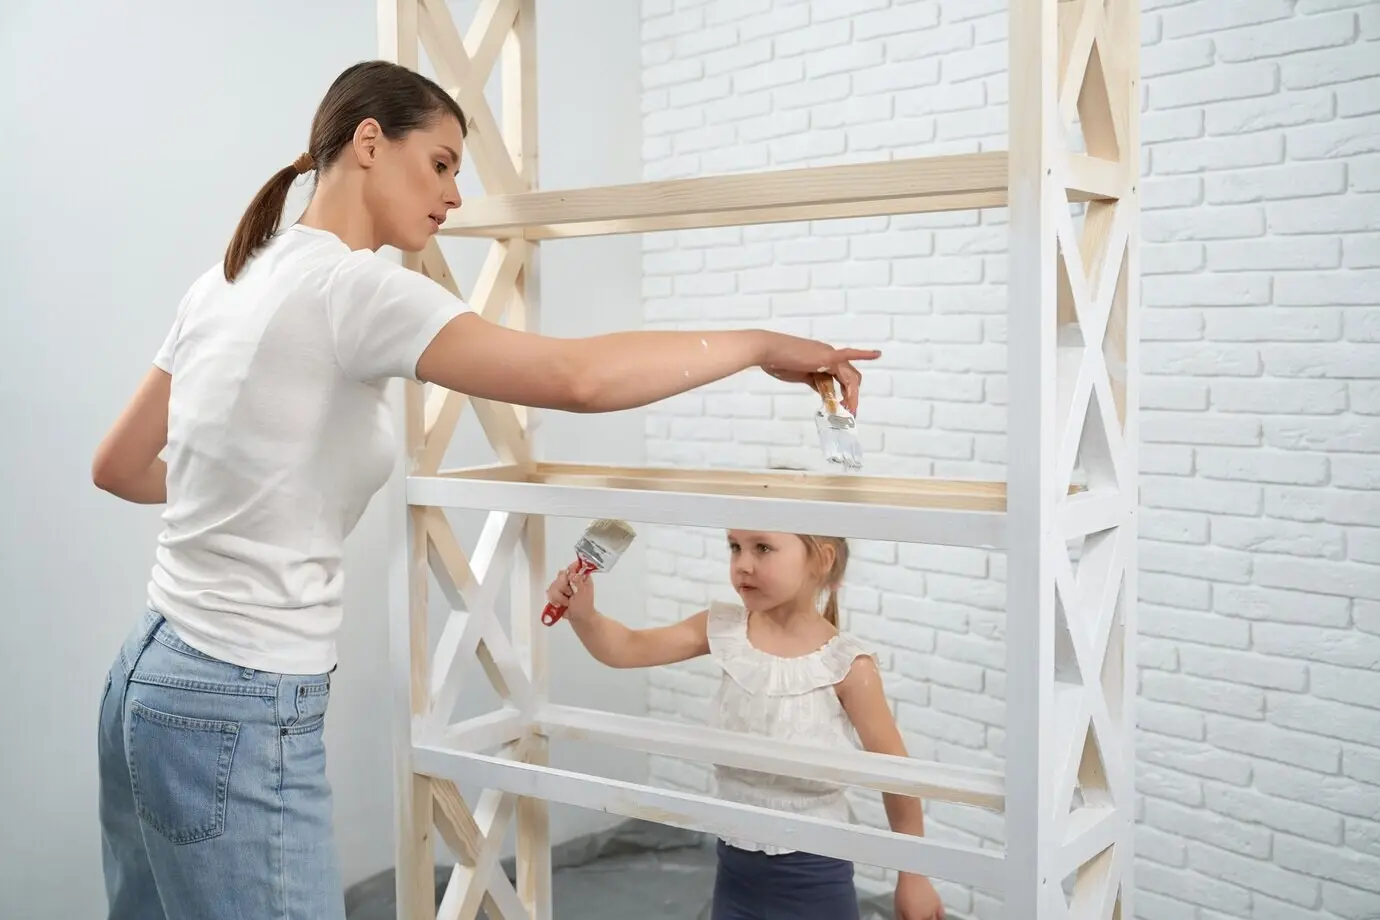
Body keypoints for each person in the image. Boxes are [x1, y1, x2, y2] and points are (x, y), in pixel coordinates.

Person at [90, 59, 881, 920]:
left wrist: (249, 491)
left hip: (149, 675)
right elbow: (577, 379)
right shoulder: (352, 286)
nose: (454, 195)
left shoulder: (229, 278)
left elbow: (120, 467)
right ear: (368, 142)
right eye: (440, 163)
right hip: (237, 699)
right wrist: (759, 346)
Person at [544, 530, 947, 920]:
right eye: (735, 547)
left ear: (821, 560)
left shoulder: (846, 666)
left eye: (763, 548)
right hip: (735, 868)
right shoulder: (724, 628)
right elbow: (627, 649)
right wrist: (585, 616)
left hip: (815, 875)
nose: (743, 565)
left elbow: (897, 775)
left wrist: (913, 874)